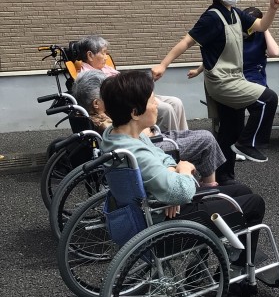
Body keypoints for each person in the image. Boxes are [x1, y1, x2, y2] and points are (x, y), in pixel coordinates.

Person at [99, 70, 264, 266]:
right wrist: (183, 170)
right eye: (152, 101)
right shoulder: (136, 152)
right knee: (255, 203)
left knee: (242, 190)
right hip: (166, 225)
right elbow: (180, 192)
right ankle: (240, 272)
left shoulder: (118, 136)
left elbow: (162, 158)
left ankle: (233, 249)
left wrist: (171, 178)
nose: (157, 104)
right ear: (135, 113)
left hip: (156, 207)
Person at [152, 0, 279, 184]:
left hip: (235, 78)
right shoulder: (211, 17)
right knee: (268, 99)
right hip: (221, 82)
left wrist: (272, 9)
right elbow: (187, 41)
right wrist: (163, 65)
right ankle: (248, 143)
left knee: (230, 130)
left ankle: (223, 177)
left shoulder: (235, 13)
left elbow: (261, 25)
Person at [72, 70, 225, 186]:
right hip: (156, 142)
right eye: (106, 95)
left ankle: (211, 185)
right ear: (96, 104)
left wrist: (173, 170)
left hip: (154, 141)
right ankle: (210, 188)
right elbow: (176, 192)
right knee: (206, 139)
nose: (112, 96)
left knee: (199, 134)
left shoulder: (104, 123)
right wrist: (183, 172)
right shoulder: (109, 126)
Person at [188, 6, 279, 149]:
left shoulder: (260, 36)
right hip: (231, 79)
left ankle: (245, 143)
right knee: (231, 121)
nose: (247, 29)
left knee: (265, 103)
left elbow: (274, 52)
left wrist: (264, 28)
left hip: (254, 80)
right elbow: (218, 57)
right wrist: (198, 70)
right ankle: (233, 148)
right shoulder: (235, 35)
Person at [76, 34, 188, 133]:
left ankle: (185, 136)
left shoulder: (105, 68)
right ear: (90, 55)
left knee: (176, 102)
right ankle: (170, 144)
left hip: (136, 94)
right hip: (128, 101)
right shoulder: (88, 77)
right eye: (103, 53)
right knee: (165, 109)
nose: (106, 57)